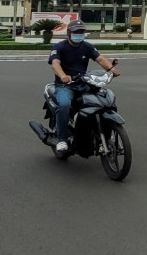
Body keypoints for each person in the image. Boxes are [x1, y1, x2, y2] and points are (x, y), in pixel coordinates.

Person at [50, 21, 120, 155]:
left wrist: (111, 69)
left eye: (81, 32)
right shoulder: (59, 47)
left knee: (106, 99)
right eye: (76, 32)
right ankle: (62, 139)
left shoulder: (87, 46)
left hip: (84, 83)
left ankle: (103, 135)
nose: (79, 35)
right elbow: (55, 64)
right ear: (69, 33)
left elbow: (99, 59)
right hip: (65, 85)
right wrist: (63, 75)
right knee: (64, 104)